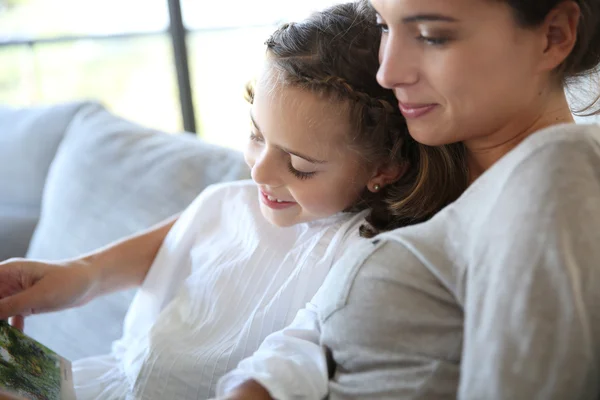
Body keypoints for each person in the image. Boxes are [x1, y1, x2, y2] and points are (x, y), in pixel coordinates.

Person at [0, 2, 467, 399]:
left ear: (383, 169)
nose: (259, 172)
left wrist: (255, 388)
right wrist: (78, 275)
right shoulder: (230, 202)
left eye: (300, 165)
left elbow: (301, 346)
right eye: (256, 136)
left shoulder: (362, 255)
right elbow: (175, 244)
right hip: (99, 381)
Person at [217, 0, 600, 399]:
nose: (388, 71)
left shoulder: (562, 172)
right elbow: (309, 332)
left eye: (432, 36)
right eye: (384, 25)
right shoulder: (384, 175)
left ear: (553, 36)